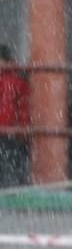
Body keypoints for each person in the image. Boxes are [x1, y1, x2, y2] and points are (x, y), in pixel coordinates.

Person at [0, 45, 31, 187]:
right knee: (11, 168)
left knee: (10, 168)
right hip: (10, 134)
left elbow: (23, 108)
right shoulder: (18, 81)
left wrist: (22, 129)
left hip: (10, 135)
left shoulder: (16, 82)